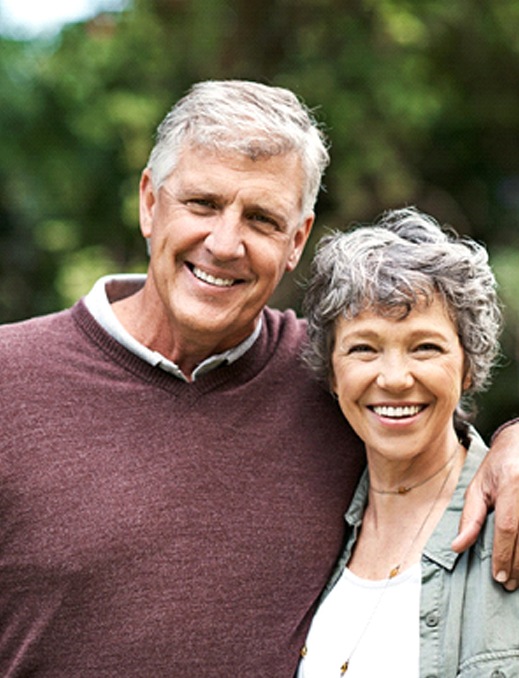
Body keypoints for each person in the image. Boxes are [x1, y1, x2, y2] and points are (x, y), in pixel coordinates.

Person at [0, 81, 517, 676]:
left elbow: (431, 417)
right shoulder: (11, 380)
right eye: (201, 204)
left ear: (296, 239)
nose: (224, 244)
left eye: (262, 218)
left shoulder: (328, 377)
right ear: (149, 202)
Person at [298, 207, 519, 677]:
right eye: (363, 348)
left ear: (468, 366)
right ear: (333, 373)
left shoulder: (511, 526)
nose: (395, 379)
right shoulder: (308, 535)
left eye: (425, 347)